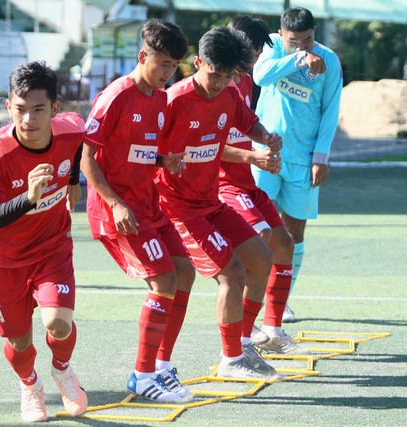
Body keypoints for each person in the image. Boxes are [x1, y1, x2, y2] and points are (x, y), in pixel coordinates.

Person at [155, 26, 282, 380]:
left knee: (263, 259)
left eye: (229, 76)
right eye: (214, 74)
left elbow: (247, 124)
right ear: (196, 63)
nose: (220, 83)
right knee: (232, 274)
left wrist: (266, 140)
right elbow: (155, 153)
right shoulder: (174, 102)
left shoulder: (228, 95)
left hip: (210, 202)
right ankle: (230, 360)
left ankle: (242, 345)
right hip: (178, 208)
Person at [81, 18, 196, 403]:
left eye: (174, 65)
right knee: (164, 281)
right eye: (163, 64)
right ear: (142, 55)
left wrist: (164, 160)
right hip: (117, 210)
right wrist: (115, 204)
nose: (169, 72)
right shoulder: (115, 96)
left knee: (184, 271)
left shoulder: (160, 99)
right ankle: (142, 375)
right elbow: (87, 158)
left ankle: (162, 367)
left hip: (149, 206)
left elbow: (136, 151)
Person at [0, 61, 87, 422]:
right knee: (19, 341)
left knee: (58, 323)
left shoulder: (70, 129)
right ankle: (30, 386)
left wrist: (73, 182)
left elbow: (79, 142)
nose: (28, 120)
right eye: (20, 109)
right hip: (3, 260)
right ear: (9, 106)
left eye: (38, 110)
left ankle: (63, 370)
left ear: (55, 109)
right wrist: (29, 198)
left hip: (52, 247)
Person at [219, 17, 310, 356]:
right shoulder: (219, 84)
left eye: (258, 55)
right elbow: (204, 146)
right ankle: (240, 343)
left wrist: (265, 140)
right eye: (252, 55)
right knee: (259, 248)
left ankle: (271, 330)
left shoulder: (241, 82)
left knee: (283, 243)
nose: (255, 63)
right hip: (221, 184)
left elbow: (247, 125)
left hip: (243, 179)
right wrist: (253, 157)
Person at [252, 7, 343, 323]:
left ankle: (282, 299)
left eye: (308, 40)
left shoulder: (329, 61)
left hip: (304, 161)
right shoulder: (273, 46)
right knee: (259, 227)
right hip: (265, 154)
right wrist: (298, 59)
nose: (303, 46)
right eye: (295, 41)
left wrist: (321, 157)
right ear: (282, 33)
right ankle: (254, 294)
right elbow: (260, 76)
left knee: (294, 231)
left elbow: (330, 111)